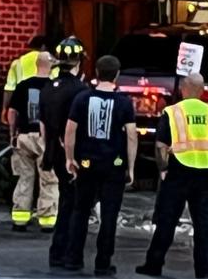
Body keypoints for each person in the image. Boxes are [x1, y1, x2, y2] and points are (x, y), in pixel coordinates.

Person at [136, 72, 208, 279]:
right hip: (205, 173)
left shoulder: (173, 112)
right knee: (203, 225)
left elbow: (160, 146)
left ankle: (154, 264)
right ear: (202, 91)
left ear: (184, 88)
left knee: (167, 220)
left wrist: (163, 169)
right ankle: (204, 272)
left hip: (178, 171)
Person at [63, 55, 137, 277]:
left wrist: (70, 157)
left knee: (80, 210)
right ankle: (102, 263)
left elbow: (70, 130)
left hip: (87, 162)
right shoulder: (124, 103)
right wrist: (131, 167)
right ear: (116, 75)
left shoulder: (82, 98)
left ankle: (73, 259)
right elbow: (132, 136)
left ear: (96, 72)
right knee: (109, 214)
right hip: (113, 164)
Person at [40, 36, 90, 268]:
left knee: (65, 201)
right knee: (73, 205)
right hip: (73, 154)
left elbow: (43, 124)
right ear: (78, 62)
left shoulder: (48, 87)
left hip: (53, 152)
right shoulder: (80, 91)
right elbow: (76, 127)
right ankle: (65, 253)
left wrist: (47, 150)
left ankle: (56, 252)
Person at [8, 51, 60, 232]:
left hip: (23, 137)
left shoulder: (23, 86)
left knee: (24, 178)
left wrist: (13, 134)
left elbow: (12, 113)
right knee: (49, 180)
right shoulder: (54, 87)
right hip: (44, 139)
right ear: (51, 65)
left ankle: (20, 218)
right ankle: (47, 221)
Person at [2, 35, 52, 125]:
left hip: (22, 104)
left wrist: (5, 109)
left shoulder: (18, 62)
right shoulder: (49, 61)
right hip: (45, 104)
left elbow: (9, 89)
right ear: (43, 46)